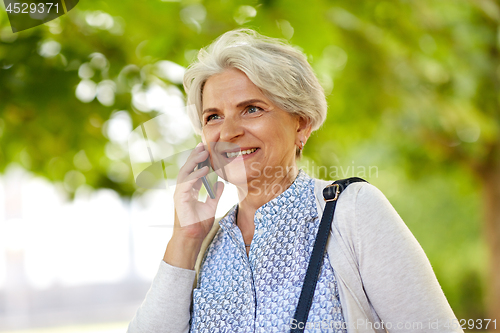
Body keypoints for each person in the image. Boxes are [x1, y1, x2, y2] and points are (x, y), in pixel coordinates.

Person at [127, 29, 463, 333]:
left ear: (301, 124)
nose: (228, 132)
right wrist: (186, 237)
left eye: (252, 109)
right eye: (213, 117)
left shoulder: (352, 210)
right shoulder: (206, 245)